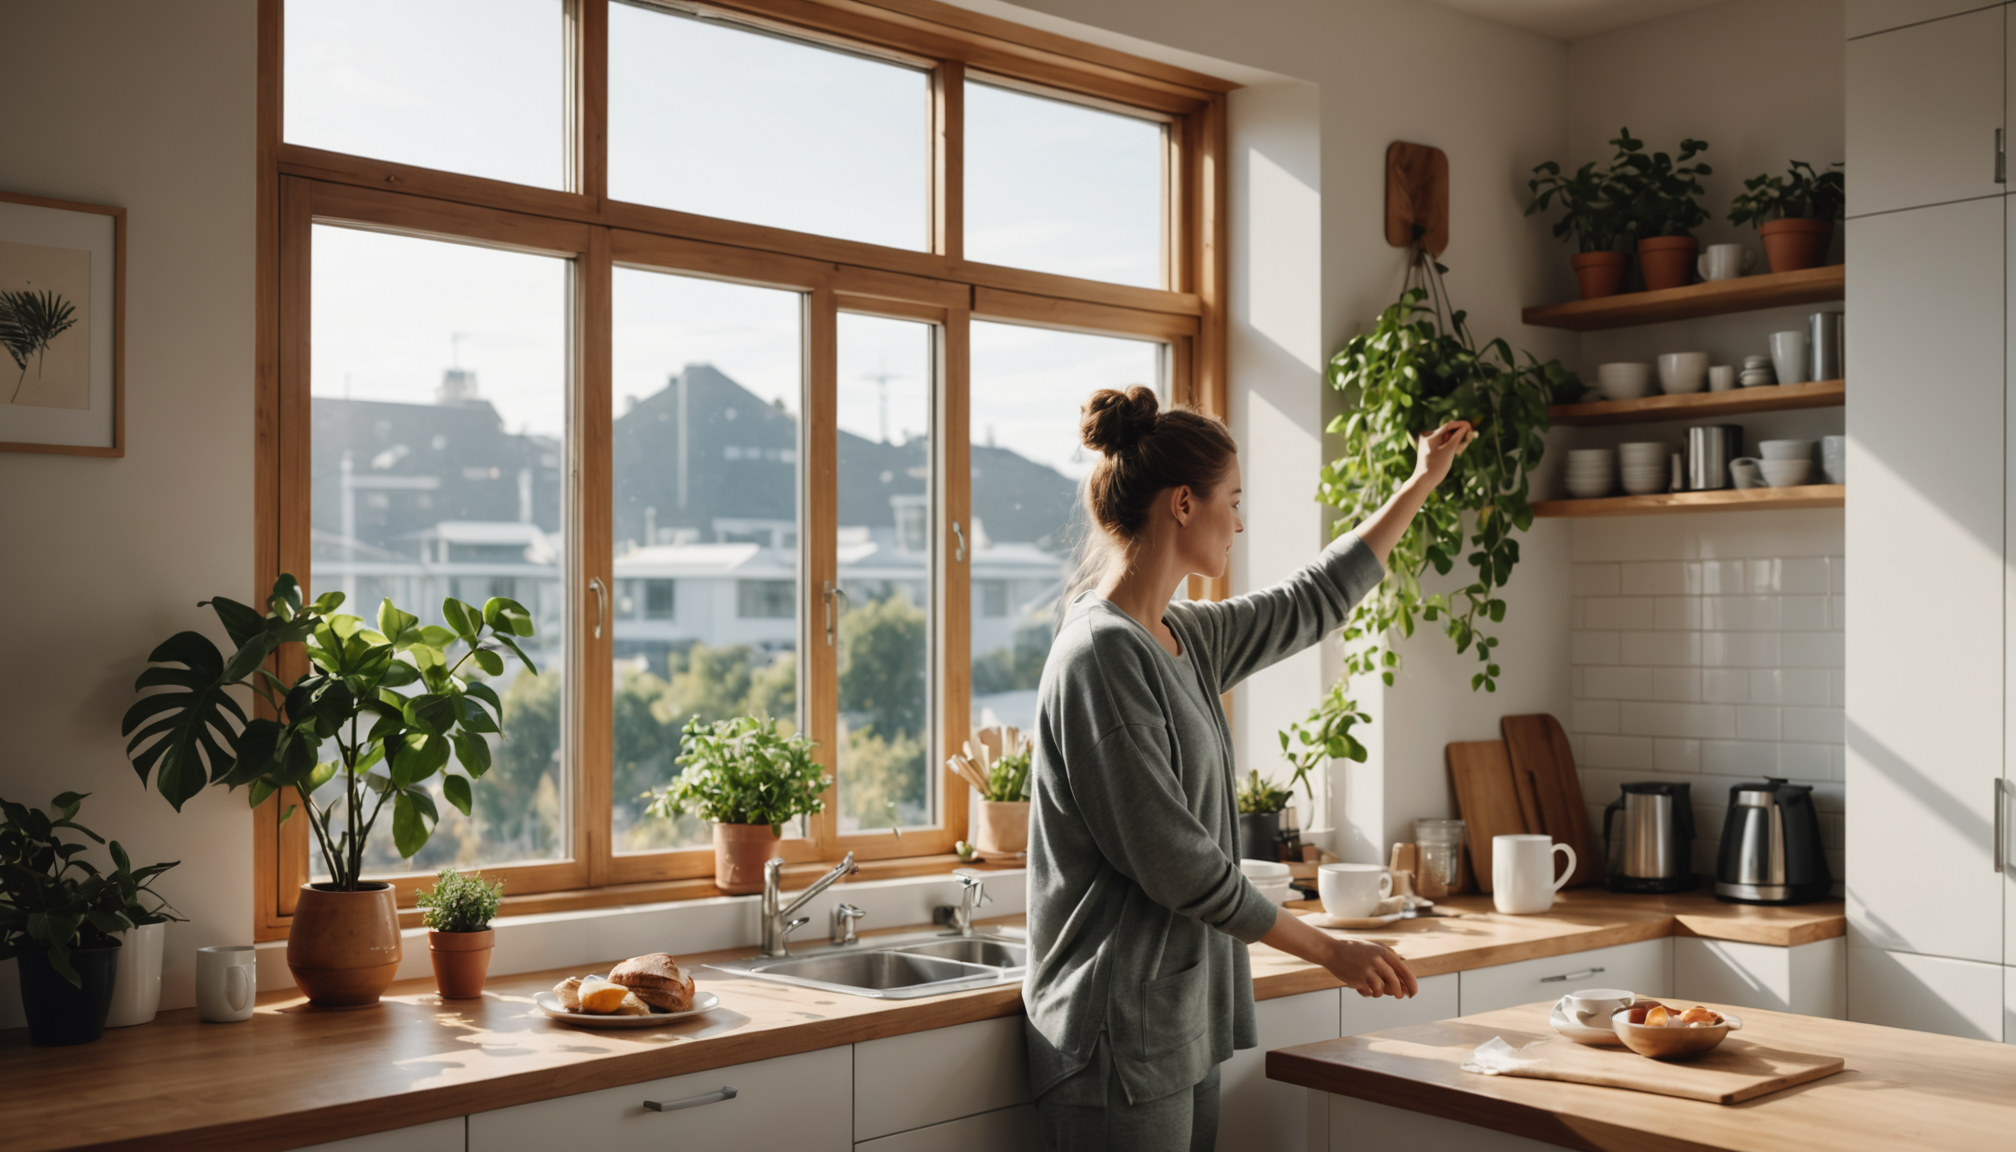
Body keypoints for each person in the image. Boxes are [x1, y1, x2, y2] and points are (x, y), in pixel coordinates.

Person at [1023, 384, 1475, 1150]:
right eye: (1231, 499)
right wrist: (1334, 949)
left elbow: (1315, 599)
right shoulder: (1102, 654)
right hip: (1116, 1035)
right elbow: (1180, 865)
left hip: (1172, 1020)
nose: (1239, 519)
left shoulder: (1179, 636)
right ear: (1182, 504)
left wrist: (1419, 483)